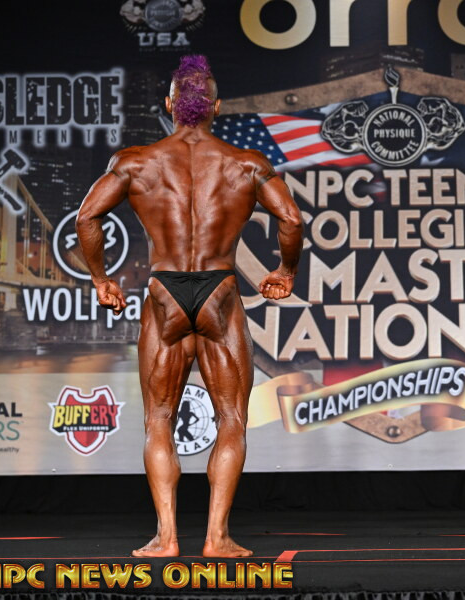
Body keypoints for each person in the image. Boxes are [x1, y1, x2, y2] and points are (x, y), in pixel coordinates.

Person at [77, 55, 303, 557]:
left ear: (169, 105)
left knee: (159, 418)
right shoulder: (246, 163)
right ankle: (217, 537)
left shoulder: (136, 162)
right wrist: (286, 271)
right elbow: (291, 219)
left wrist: (100, 279)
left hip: (165, 293)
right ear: (216, 108)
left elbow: (87, 217)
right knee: (231, 419)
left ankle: (167, 537)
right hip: (220, 290)